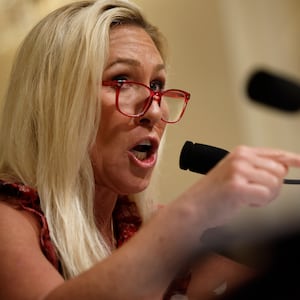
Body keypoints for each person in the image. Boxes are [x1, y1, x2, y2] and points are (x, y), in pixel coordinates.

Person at [1, 0, 300, 299]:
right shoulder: (9, 219)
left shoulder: (144, 226)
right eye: (121, 80)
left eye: (157, 85)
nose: (154, 111)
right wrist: (194, 209)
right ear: (53, 100)